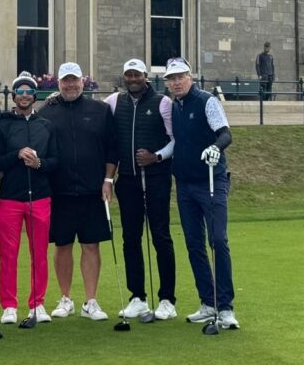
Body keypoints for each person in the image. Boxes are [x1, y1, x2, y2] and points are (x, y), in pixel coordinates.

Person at [37, 62, 118, 321]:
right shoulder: (46, 112)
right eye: (65, 81)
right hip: (58, 192)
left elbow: (111, 149)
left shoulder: (100, 110)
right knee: (62, 245)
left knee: (91, 245)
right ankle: (65, 298)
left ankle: (90, 301)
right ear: (58, 83)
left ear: (83, 82)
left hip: (92, 191)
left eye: (74, 80)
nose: (70, 85)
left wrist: (108, 180)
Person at [164, 57, 239, 330]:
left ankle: (226, 307)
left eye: (180, 77)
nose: (176, 82)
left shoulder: (207, 101)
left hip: (212, 180)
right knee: (194, 244)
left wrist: (216, 148)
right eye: (171, 79)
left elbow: (225, 133)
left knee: (217, 240)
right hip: (184, 184)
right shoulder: (174, 106)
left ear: (190, 77)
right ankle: (208, 303)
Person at [105, 59, 177, 321]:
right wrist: (55, 97)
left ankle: (167, 299)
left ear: (145, 76)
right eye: (128, 75)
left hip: (156, 178)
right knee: (131, 240)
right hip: (128, 180)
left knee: (160, 237)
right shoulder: (115, 102)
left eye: (137, 74)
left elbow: (174, 141)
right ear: (124, 77)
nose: (133, 78)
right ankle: (137, 297)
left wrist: (156, 157)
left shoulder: (162, 103)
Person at [0, 72, 58, 325]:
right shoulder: (3, 124)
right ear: (14, 96)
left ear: (34, 95)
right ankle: (9, 305)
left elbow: (55, 161)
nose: (24, 95)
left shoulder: (46, 125)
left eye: (28, 91)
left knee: (38, 253)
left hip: (40, 198)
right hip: (10, 198)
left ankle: (37, 303)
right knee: (8, 254)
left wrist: (38, 163)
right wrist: (17, 155)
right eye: (19, 91)